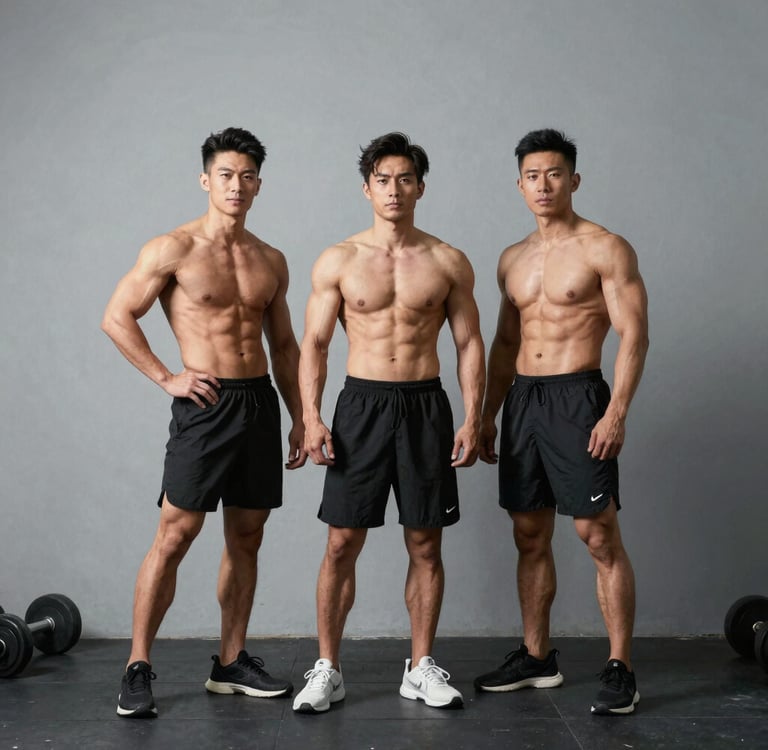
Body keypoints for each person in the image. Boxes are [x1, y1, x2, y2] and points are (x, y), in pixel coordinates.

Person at [101, 127, 306, 718]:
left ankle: (231, 661)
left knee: (247, 536)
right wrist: (168, 377)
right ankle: (138, 665)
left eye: (246, 177)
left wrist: (301, 418)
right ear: (205, 180)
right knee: (175, 535)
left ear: (259, 184)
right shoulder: (173, 249)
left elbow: (286, 346)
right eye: (225, 175)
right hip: (205, 406)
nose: (235, 186)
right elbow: (117, 317)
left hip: (259, 404)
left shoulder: (271, 259)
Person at [293, 132, 485, 714]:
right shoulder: (339, 260)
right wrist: (311, 417)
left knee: (425, 542)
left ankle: (420, 667)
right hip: (361, 408)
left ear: (421, 186)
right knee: (341, 542)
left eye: (405, 179)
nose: (394, 190)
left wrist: (474, 418)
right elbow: (316, 344)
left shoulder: (448, 260)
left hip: (426, 405)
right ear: (366, 188)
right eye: (383, 179)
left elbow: (470, 343)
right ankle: (328, 667)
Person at [473, 129, 649, 716]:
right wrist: (487, 416)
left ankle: (620, 666)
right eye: (531, 175)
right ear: (519, 184)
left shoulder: (606, 248)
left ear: (573, 180)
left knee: (597, 535)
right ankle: (536, 656)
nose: (543, 185)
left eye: (554, 174)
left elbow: (635, 335)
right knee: (529, 534)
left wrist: (616, 409)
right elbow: (502, 343)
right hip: (523, 400)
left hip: (579, 398)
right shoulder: (512, 259)